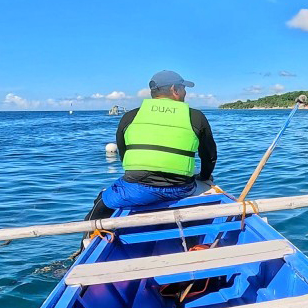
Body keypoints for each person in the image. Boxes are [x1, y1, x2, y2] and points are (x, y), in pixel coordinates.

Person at [86, 70, 217, 221]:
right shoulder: (195, 116)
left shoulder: (130, 116)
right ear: (174, 89)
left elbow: (124, 156)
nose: (185, 93)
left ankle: (87, 240)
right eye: (183, 88)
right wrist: (204, 176)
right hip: (180, 188)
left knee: (101, 201)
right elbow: (210, 156)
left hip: (136, 189)